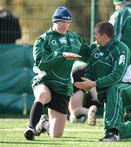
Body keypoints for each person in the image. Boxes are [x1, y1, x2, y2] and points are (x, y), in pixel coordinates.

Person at [74, 21, 131, 141]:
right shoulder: (94, 48)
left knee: (115, 88)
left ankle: (112, 134)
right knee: (118, 128)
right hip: (110, 93)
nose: (93, 37)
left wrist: (93, 84)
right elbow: (90, 70)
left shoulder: (121, 49)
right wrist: (86, 82)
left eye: (95, 34)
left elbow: (116, 77)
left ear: (104, 36)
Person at [24, 6, 91, 140]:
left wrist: (100, 48)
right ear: (54, 21)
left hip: (63, 87)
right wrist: (62, 55)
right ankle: (30, 128)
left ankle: (43, 123)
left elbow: (87, 53)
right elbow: (41, 63)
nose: (65, 25)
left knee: (56, 134)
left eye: (68, 22)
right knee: (42, 94)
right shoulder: (43, 40)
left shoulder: (74, 38)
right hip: (46, 81)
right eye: (62, 22)